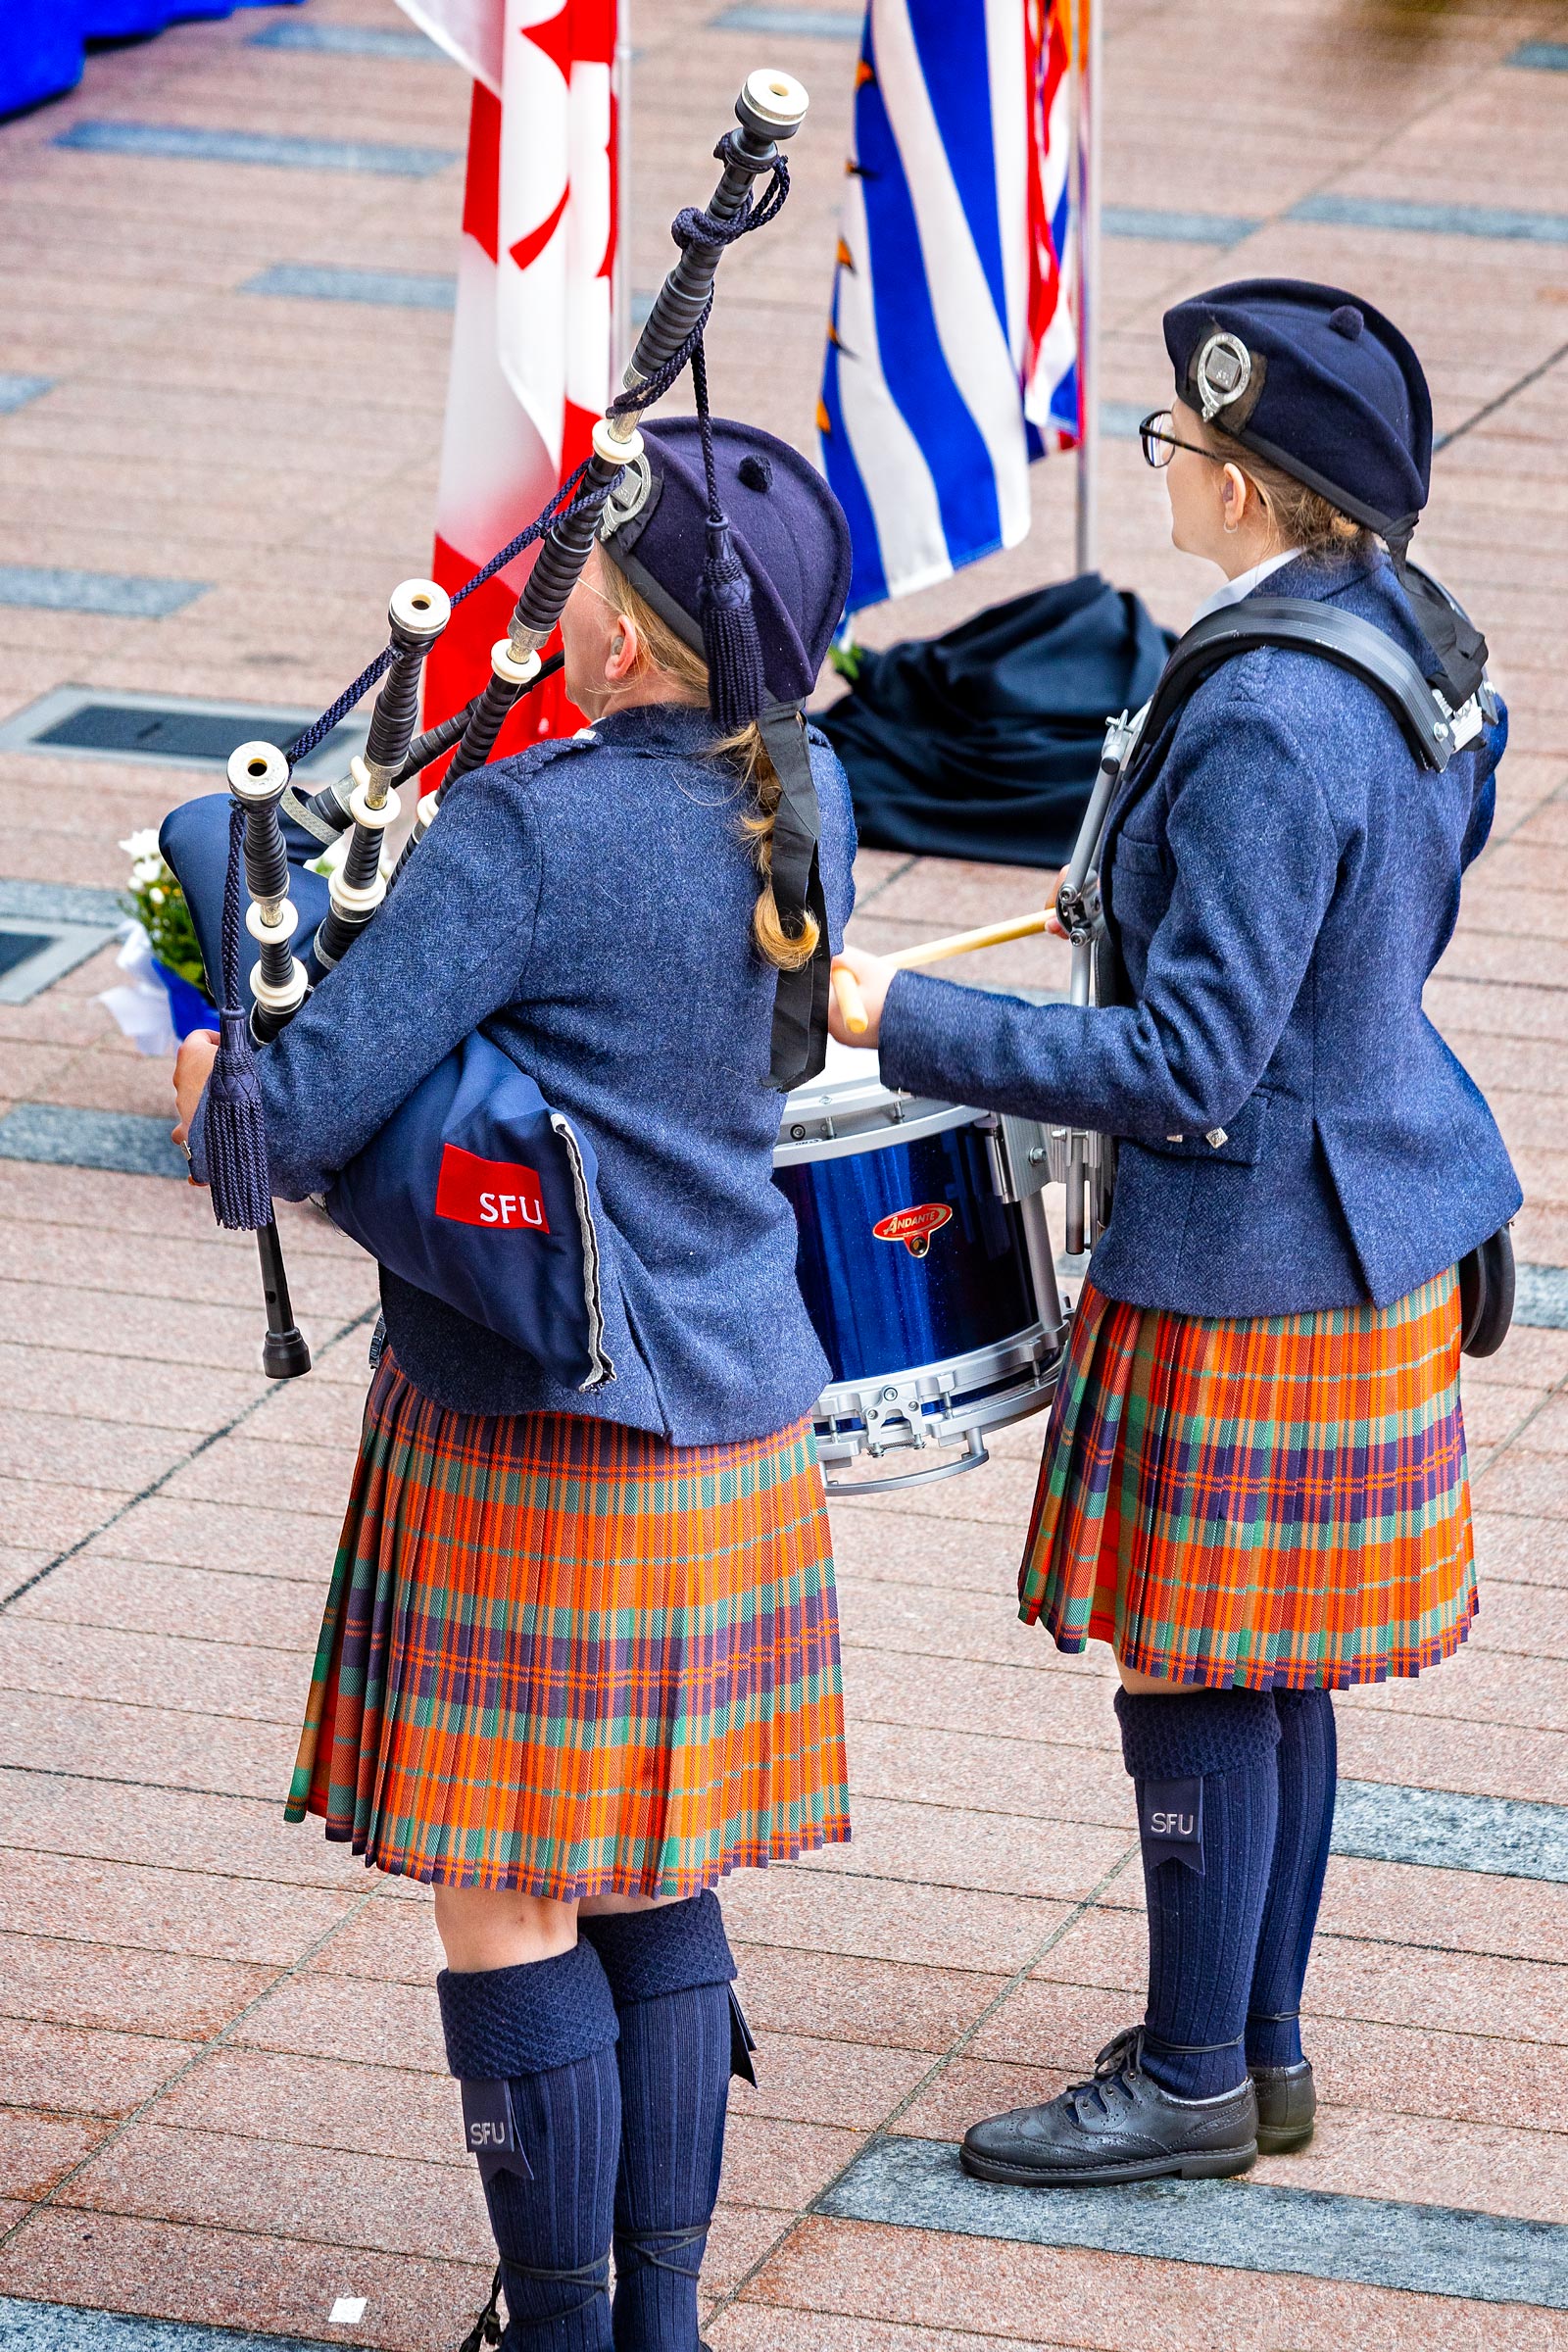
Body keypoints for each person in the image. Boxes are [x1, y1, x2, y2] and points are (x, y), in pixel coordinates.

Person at [172, 416, 857, 2347]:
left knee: (507, 1891)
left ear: (622, 636)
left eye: (574, 575)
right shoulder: (806, 792)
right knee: (650, 1871)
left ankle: (557, 2330)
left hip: (540, 1428)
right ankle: (653, 2322)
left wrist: (214, 1059)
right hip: (731, 1407)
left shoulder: (527, 836)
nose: (544, 594)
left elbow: (286, 1127)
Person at [829, 279, 1519, 2188]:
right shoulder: (1405, 631)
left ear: (1249, 485)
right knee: (1266, 1667)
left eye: (1181, 448)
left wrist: (897, 1020)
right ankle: (1252, 2048)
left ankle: (1192, 2073)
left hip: (1248, 1251)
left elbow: (1184, 1058)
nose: (1167, 471)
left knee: (1197, 1668)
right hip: (1360, 1197)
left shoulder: (1266, 720)